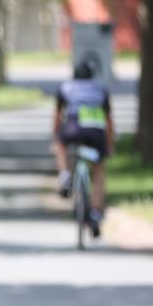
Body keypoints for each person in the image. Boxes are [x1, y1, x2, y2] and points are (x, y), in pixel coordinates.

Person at [52, 60, 115, 237]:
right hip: (96, 131)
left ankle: (65, 176)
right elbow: (108, 120)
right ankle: (95, 213)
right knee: (99, 170)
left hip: (73, 128)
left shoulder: (66, 87)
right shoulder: (100, 89)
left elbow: (58, 116)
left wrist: (55, 136)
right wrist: (109, 144)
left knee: (60, 144)